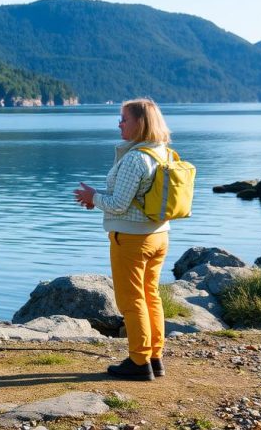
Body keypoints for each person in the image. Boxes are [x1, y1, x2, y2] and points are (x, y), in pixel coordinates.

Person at [73, 98, 173, 381]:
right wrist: (98, 198)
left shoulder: (135, 158)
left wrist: (94, 197)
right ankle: (154, 357)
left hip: (132, 239)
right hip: (159, 235)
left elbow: (118, 204)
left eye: (124, 118)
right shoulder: (162, 152)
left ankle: (139, 362)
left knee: (131, 300)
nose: (119, 123)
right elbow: (135, 198)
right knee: (151, 296)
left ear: (140, 123)